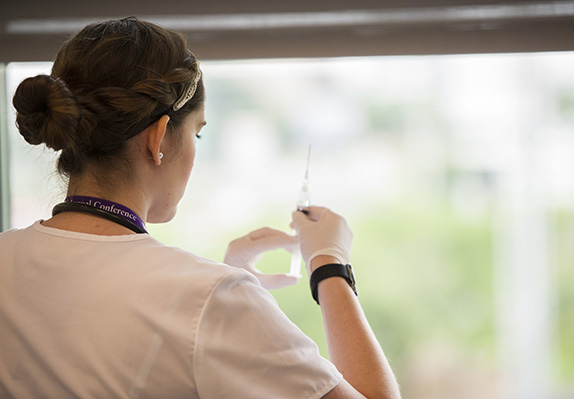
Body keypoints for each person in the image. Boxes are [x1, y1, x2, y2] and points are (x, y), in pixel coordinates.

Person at [0, 17, 401, 399]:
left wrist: (230, 291)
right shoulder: (212, 299)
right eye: (198, 133)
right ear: (159, 138)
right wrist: (330, 266)